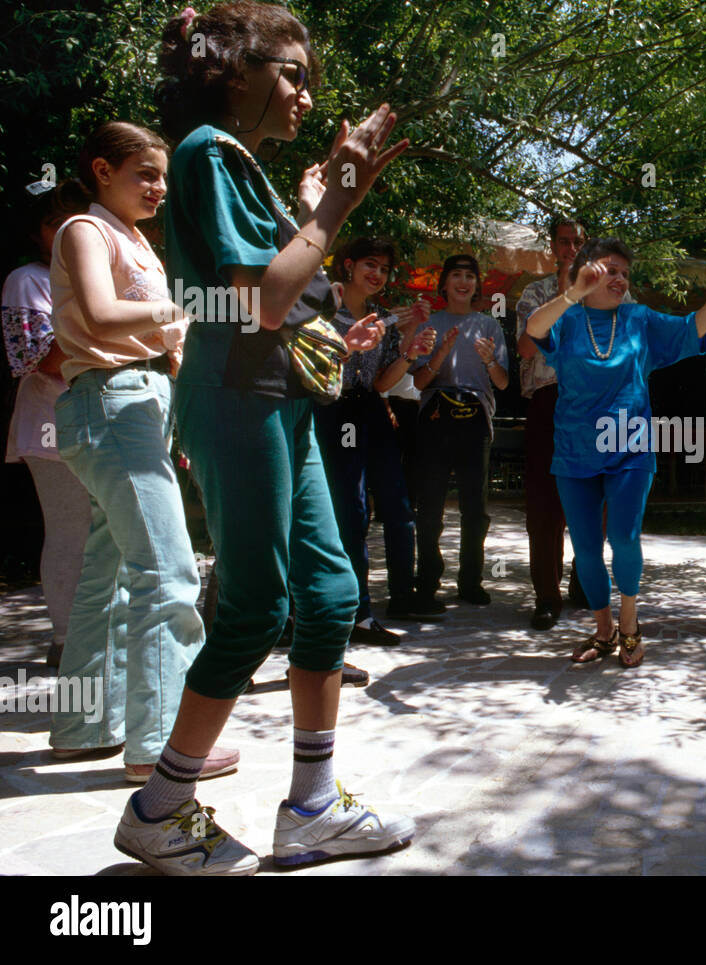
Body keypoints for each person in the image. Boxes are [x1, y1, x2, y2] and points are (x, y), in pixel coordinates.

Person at [113, 1, 414, 875]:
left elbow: (293, 290)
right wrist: (337, 208)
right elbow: (265, 301)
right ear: (229, 73)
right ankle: (158, 810)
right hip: (236, 399)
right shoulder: (207, 151)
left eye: (308, 78)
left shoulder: (242, 167)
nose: (306, 94)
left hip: (286, 400)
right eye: (288, 72)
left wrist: (317, 204)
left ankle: (312, 808)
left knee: (325, 592)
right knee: (255, 605)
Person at [46, 122, 238, 784]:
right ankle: (160, 744)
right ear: (103, 170)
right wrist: (181, 305)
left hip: (145, 406)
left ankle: (82, 725)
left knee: (112, 572)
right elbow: (100, 315)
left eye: (163, 176)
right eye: (145, 174)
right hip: (111, 401)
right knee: (168, 572)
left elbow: (171, 342)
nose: (159, 187)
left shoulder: (141, 246)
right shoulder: (84, 231)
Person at [526, 238, 706, 666]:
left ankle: (629, 621)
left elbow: (693, 328)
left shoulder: (639, 319)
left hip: (630, 445)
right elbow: (533, 330)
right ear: (588, 274)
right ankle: (603, 630)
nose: (620, 278)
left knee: (622, 536)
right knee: (585, 549)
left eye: (625, 272)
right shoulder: (567, 319)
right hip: (574, 450)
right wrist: (572, 293)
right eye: (610, 270)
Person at [315, 235, 438, 642]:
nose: (378, 275)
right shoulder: (321, 309)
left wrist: (409, 352)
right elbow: (315, 369)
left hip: (370, 407)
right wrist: (348, 348)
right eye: (371, 265)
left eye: (384, 269)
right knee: (352, 510)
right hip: (335, 411)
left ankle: (402, 596)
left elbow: (384, 381)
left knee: (398, 504)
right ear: (347, 265)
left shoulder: (384, 317)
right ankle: (356, 612)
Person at [515, 217, 628, 630]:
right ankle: (547, 596)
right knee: (545, 504)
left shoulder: (612, 289)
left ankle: (585, 582)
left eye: (578, 241)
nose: (570, 247)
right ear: (552, 246)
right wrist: (567, 297)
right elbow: (527, 348)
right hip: (549, 399)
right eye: (564, 242)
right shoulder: (535, 292)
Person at [3, 180, 91, 671]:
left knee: (111, 536)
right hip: (51, 425)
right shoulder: (27, 280)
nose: (65, 231)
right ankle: (65, 640)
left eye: (73, 220)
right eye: (53, 222)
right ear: (36, 232)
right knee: (70, 532)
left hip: (107, 422)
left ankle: (95, 639)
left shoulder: (106, 272)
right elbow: (42, 360)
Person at [410, 254, 508, 608]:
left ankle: (470, 581)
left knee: (474, 508)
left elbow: (502, 382)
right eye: (456, 275)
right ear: (444, 283)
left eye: (470, 276)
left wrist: (489, 360)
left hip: (475, 418)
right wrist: (440, 354)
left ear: (477, 285)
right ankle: (426, 580)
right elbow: (420, 382)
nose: (463, 282)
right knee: (430, 505)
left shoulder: (490, 326)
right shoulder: (431, 324)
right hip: (435, 416)